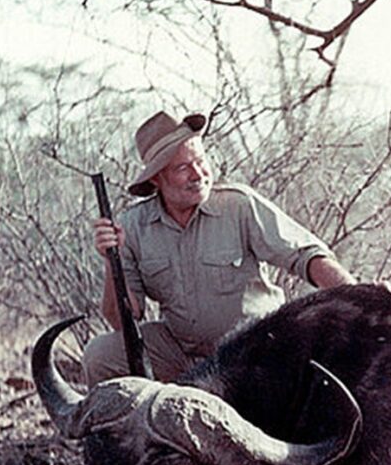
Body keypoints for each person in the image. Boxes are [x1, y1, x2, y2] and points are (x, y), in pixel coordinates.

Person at [83, 110, 356, 386]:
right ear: (156, 179)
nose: (198, 174)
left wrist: (360, 298)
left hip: (255, 351)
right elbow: (124, 322)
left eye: (200, 161)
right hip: (183, 353)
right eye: (182, 168)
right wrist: (111, 260)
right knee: (100, 356)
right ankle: (124, 428)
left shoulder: (238, 205)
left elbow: (306, 256)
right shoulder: (133, 225)